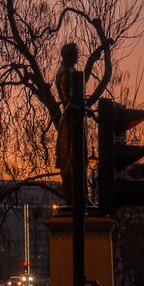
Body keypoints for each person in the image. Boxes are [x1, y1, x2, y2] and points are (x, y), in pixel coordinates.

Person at [54, 42, 81, 206]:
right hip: (70, 123)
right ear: (70, 56)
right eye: (76, 54)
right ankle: (73, 200)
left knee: (76, 161)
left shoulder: (69, 72)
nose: (78, 57)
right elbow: (68, 101)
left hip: (72, 121)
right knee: (70, 162)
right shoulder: (65, 74)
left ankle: (76, 199)